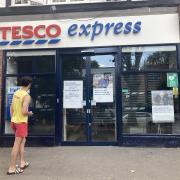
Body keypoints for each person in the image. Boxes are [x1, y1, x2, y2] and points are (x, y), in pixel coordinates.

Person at [7, 76, 33, 175]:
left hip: (14, 121)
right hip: (21, 123)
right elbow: (24, 111)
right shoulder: (26, 96)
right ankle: (12, 168)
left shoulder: (16, 93)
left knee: (22, 141)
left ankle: (22, 162)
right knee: (16, 144)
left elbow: (11, 108)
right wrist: (30, 113)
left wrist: (13, 119)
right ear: (29, 84)